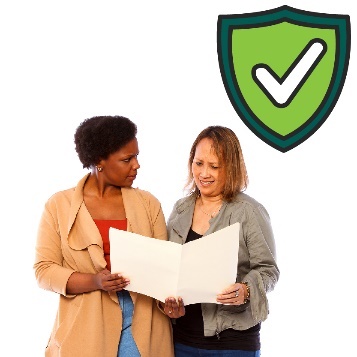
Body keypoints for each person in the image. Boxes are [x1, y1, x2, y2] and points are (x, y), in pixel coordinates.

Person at [34, 115, 174, 357]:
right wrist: (95, 281)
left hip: (143, 323)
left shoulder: (149, 204)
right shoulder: (59, 205)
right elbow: (44, 270)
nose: (136, 165)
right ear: (99, 161)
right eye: (127, 159)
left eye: (137, 156)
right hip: (85, 326)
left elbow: (164, 271)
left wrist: (170, 301)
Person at [162, 126, 279, 356]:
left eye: (214, 166)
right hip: (182, 340)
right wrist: (166, 303)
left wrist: (246, 290)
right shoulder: (180, 209)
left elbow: (268, 271)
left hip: (233, 343)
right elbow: (168, 267)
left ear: (232, 168)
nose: (204, 174)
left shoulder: (249, 212)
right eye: (198, 163)